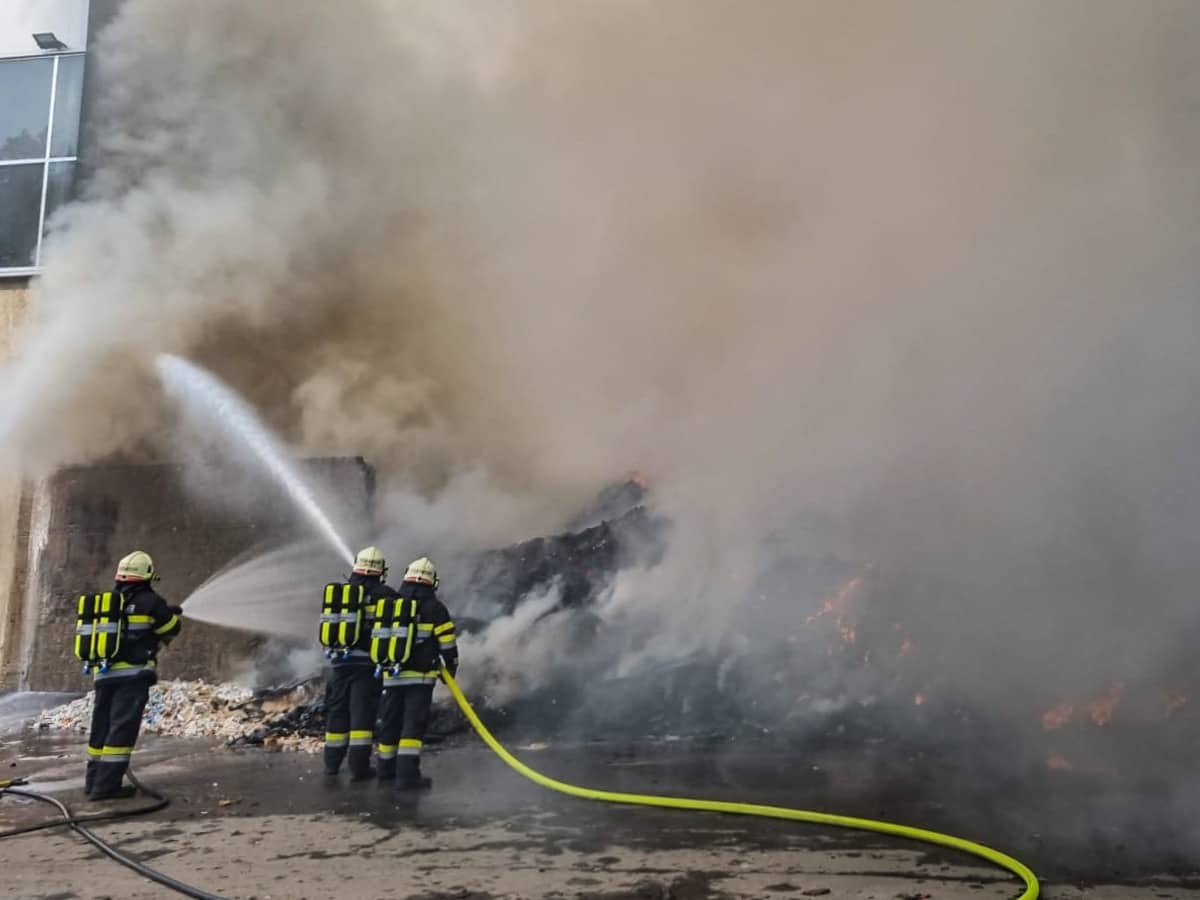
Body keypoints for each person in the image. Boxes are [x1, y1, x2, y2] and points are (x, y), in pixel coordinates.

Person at [77, 550, 181, 801]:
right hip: (132, 677)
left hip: (103, 675)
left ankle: (93, 782)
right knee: (121, 730)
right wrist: (172, 613)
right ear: (146, 576)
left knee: (101, 728)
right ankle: (106, 788)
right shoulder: (151, 602)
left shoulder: (108, 602)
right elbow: (170, 628)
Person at [374, 557, 458, 790]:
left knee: (390, 722)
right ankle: (408, 776)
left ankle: (384, 770)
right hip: (420, 679)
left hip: (391, 675)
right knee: (412, 725)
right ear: (433, 582)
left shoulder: (391, 603)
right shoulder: (435, 608)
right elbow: (448, 645)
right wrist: (450, 669)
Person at [321, 546, 395, 781]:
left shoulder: (341, 593)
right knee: (362, 715)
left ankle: (332, 764)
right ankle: (359, 767)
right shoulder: (386, 594)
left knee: (338, 711)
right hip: (367, 665)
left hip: (340, 663)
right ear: (379, 570)